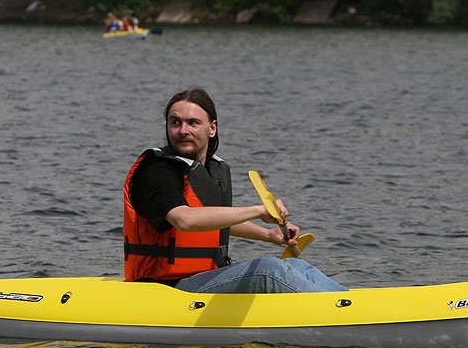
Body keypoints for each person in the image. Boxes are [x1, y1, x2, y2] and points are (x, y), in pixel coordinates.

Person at [123, 88, 347, 294]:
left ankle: (347, 301)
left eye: (192, 123)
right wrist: (258, 211)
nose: (183, 130)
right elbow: (185, 220)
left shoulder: (209, 170)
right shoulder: (156, 172)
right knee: (267, 269)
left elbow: (213, 221)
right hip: (166, 287)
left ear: (212, 128)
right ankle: (342, 315)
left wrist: (267, 235)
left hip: (204, 276)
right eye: (175, 122)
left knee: (297, 265)